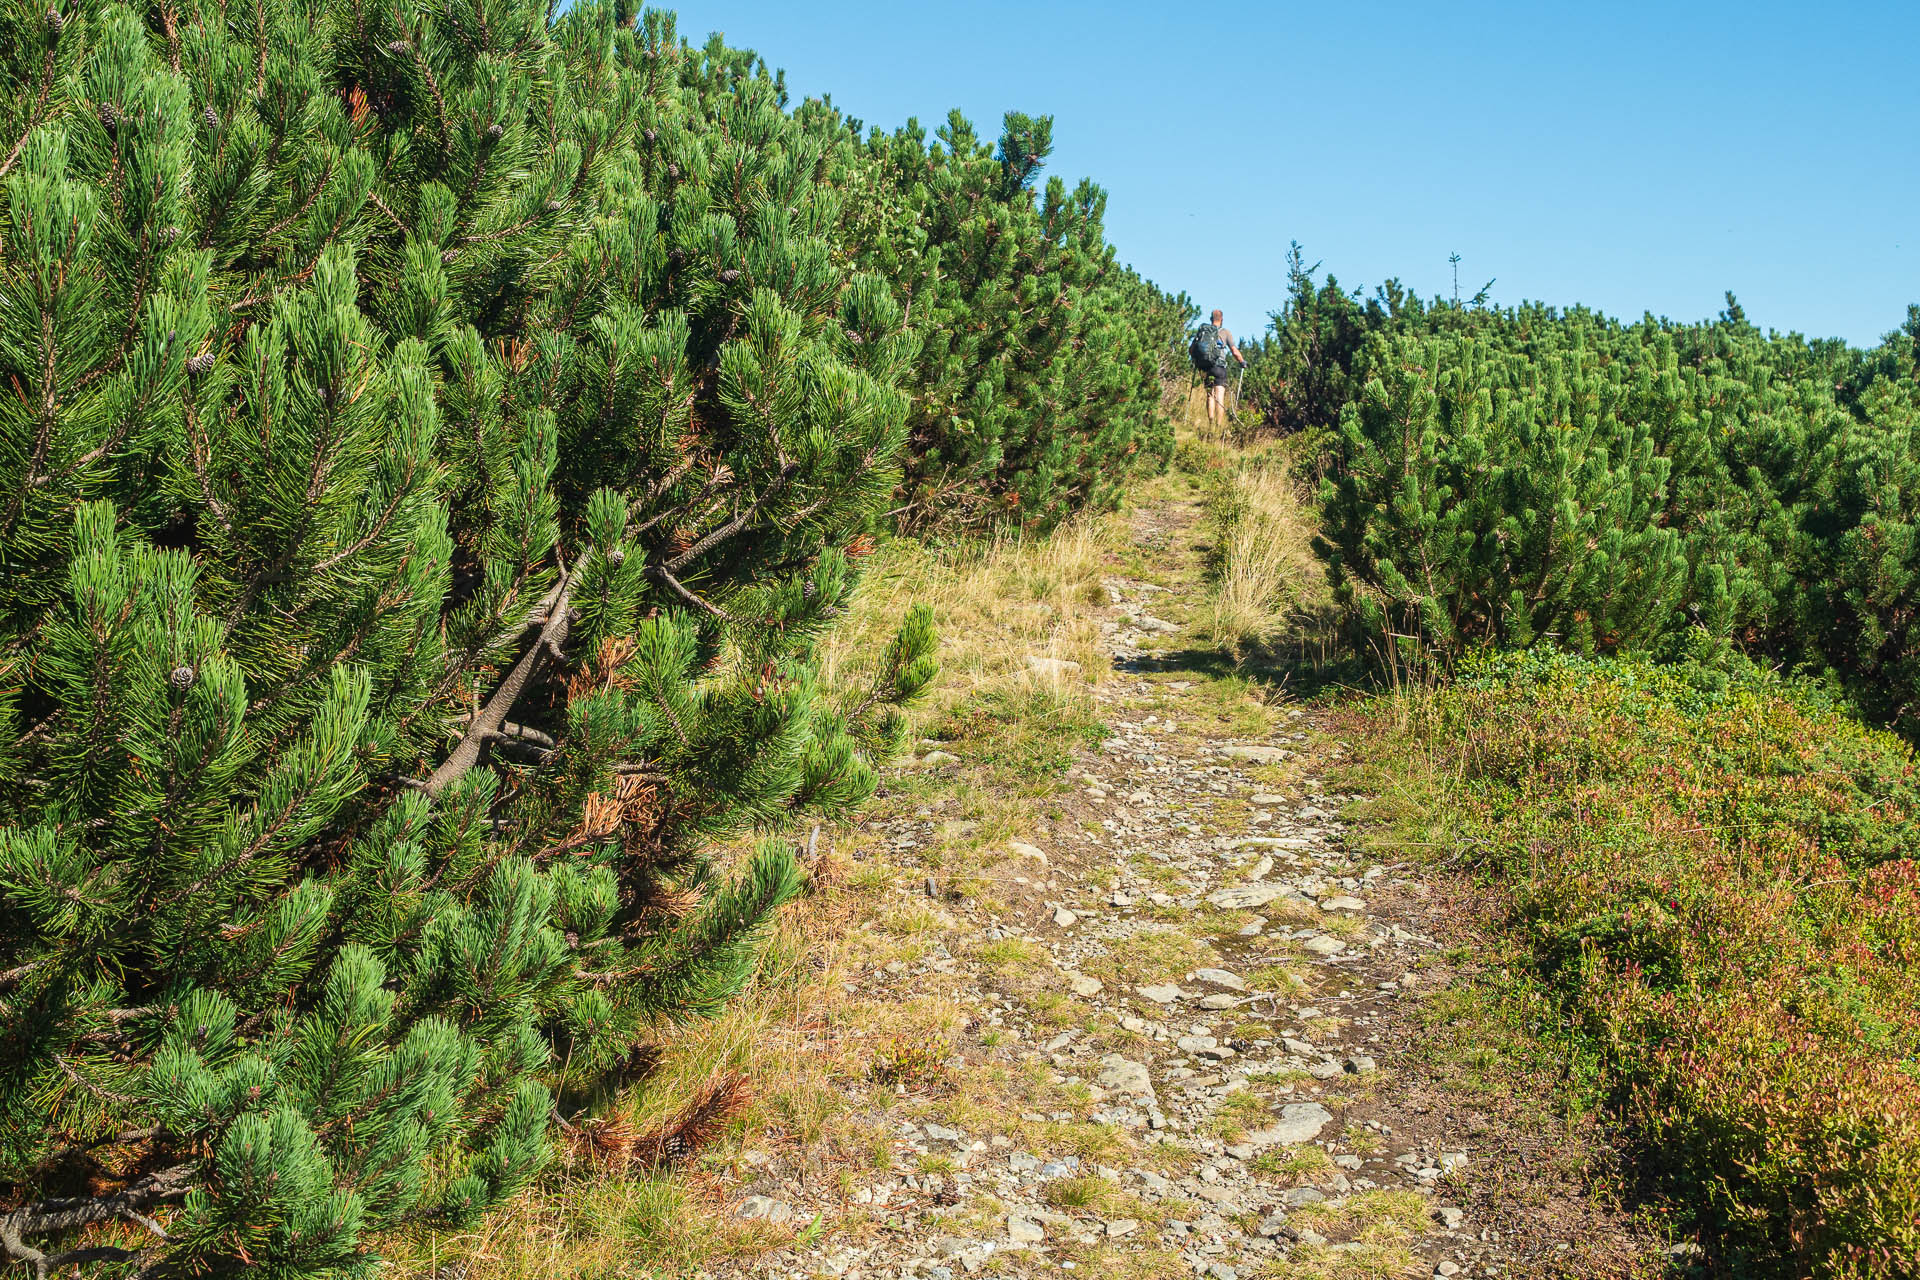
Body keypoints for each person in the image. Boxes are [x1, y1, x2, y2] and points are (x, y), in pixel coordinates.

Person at [1201, 309, 1244, 428]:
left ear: (1211, 319)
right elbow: (1234, 351)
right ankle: (1218, 426)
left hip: (1206, 367)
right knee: (1219, 396)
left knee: (1210, 395)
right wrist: (1242, 361)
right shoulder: (1225, 332)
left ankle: (1210, 425)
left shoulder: (1205, 332)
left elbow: (1192, 349)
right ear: (1222, 319)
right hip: (1219, 367)